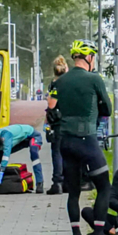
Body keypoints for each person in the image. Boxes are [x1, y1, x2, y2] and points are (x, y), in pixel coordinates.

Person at [48, 39, 114, 235]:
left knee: (73, 192)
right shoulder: (94, 79)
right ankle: (98, 234)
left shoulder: (59, 82)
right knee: (104, 186)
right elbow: (108, 109)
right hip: (87, 140)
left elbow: (52, 110)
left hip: (66, 141)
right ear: (89, 57)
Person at [0, 125, 44, 193]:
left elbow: (6, 155)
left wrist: (1, 172)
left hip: (32, 136)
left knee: (34, 153)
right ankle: (1, 185)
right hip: (20, 141)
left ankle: (39, 183)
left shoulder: (5, 135)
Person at [44, 56, 68, 195]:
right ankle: (68, 182)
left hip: (58, 122)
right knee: (68, 153)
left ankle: (57, 182)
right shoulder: (70, 82)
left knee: (57, 152)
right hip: (71, 120)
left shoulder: (55, 85)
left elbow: (52, 104)